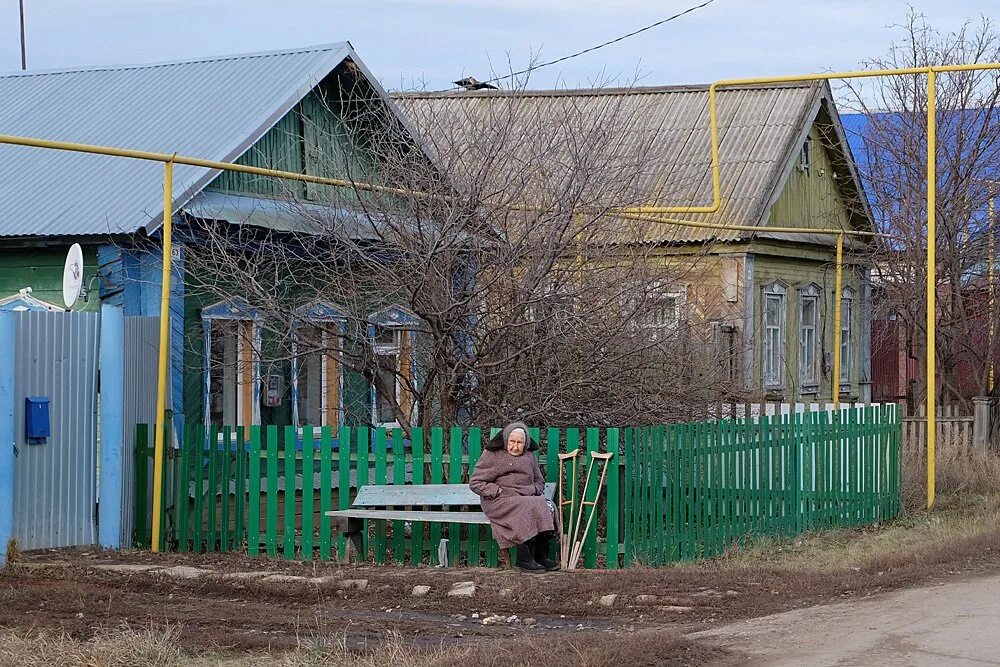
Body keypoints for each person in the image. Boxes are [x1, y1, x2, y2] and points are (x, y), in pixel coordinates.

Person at [469, 422, 560, 573]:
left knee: (548, 505)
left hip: (524, 498)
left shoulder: (529, 456)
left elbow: (539, 480)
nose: (515, 447)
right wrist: (497, 491)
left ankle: (539, 556)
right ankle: (524, 559)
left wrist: (534, 489)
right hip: (499, 501)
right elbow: (476, 482)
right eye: (512, 442)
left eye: (519, 443)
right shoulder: (492, 455)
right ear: (505, 440)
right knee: (528, 506)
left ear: (525, 444)